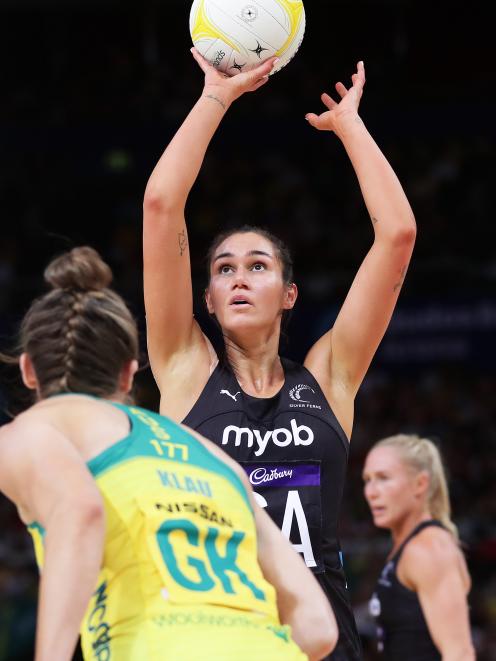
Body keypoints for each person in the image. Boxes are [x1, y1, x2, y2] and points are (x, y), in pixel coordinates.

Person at [142, 49, 416, 660]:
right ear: (207, 299)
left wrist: (351, 127)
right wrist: (217, 95)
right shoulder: (185, 371)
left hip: (322, 640)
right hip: (218, 639)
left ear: (288, 294)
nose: (239, 278)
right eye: (224, 269)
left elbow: (397, 235)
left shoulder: (329, 378)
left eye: (257, 266)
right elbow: (161, 206)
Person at [0, 246, 338, 661]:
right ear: (128, 373)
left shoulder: (31, 431)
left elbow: (79, 512)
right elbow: (318, 628)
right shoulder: (211, 456)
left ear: (28, 369)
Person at [363, 434, 475, 660]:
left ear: (420, 484)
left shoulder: (429, 548)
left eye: (383, 478)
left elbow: (460, 653)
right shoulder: (408, 547)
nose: (371, 492)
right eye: (367, 480)